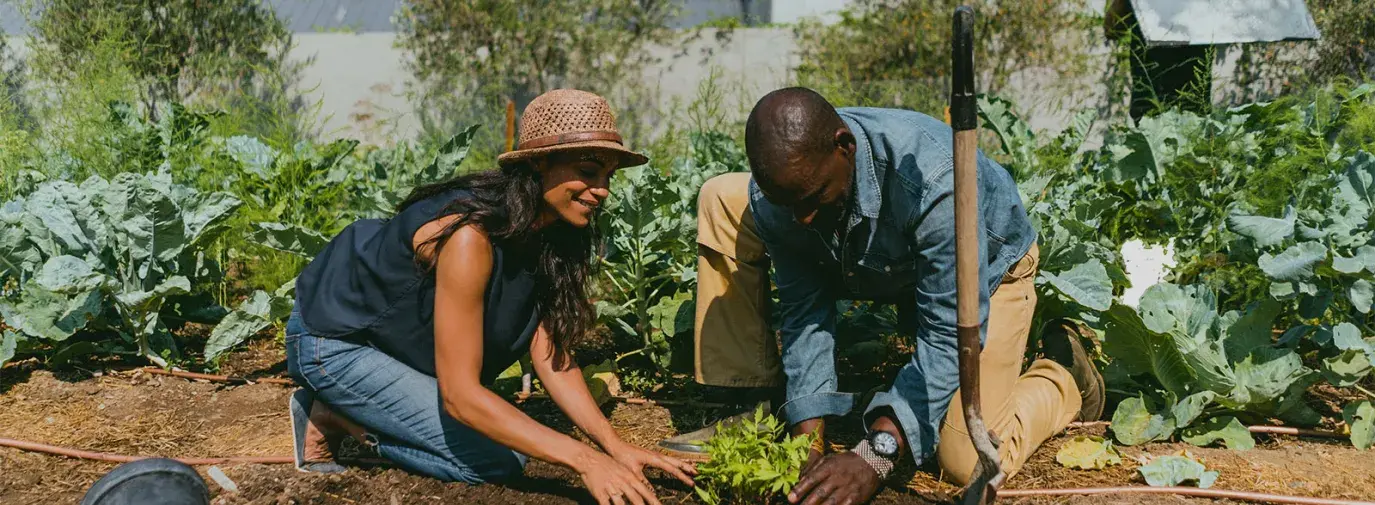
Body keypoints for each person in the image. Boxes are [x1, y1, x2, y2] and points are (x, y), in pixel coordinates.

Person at [659, 87, 1105, 504]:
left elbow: (948, 331)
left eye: (814, 198)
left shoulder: (935, 180)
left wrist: (877, 453)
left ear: (844, 147)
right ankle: (750, 400)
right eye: (789, 205)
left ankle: (1063, 376)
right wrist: (807, 441)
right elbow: (804, 309)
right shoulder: (784, 196)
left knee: (963, 458)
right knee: (723, 195)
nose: (804, 219)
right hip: (879, 262)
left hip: (987, 268)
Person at [286, 89, 696, 505]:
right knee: (495, 461)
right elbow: (461, 397)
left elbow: (550, 353)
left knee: (501, 438)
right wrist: (585, 460)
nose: (602, 190)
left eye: (608, 176)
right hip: (337, 341)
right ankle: (335, 417)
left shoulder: (553, 231)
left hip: (393, 342)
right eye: (588, 171)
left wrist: (615, 447)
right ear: (538, 164)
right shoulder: (470, 238)